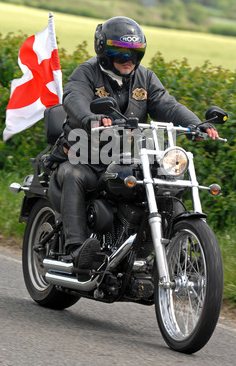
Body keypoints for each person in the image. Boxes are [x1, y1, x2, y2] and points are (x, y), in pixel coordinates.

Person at [56, 16, 218, 268]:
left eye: (135, 54)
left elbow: (167, 105)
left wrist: (196, 124)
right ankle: (78, 249)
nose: (128, 61)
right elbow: (74, 97)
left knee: (165, 185)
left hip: (124, 160)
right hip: (86, 158)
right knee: (72, 174)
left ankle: (178, 251)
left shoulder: (145, 78)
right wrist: (89, 117)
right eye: (121, 55)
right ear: (104, 52)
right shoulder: (86, 73)